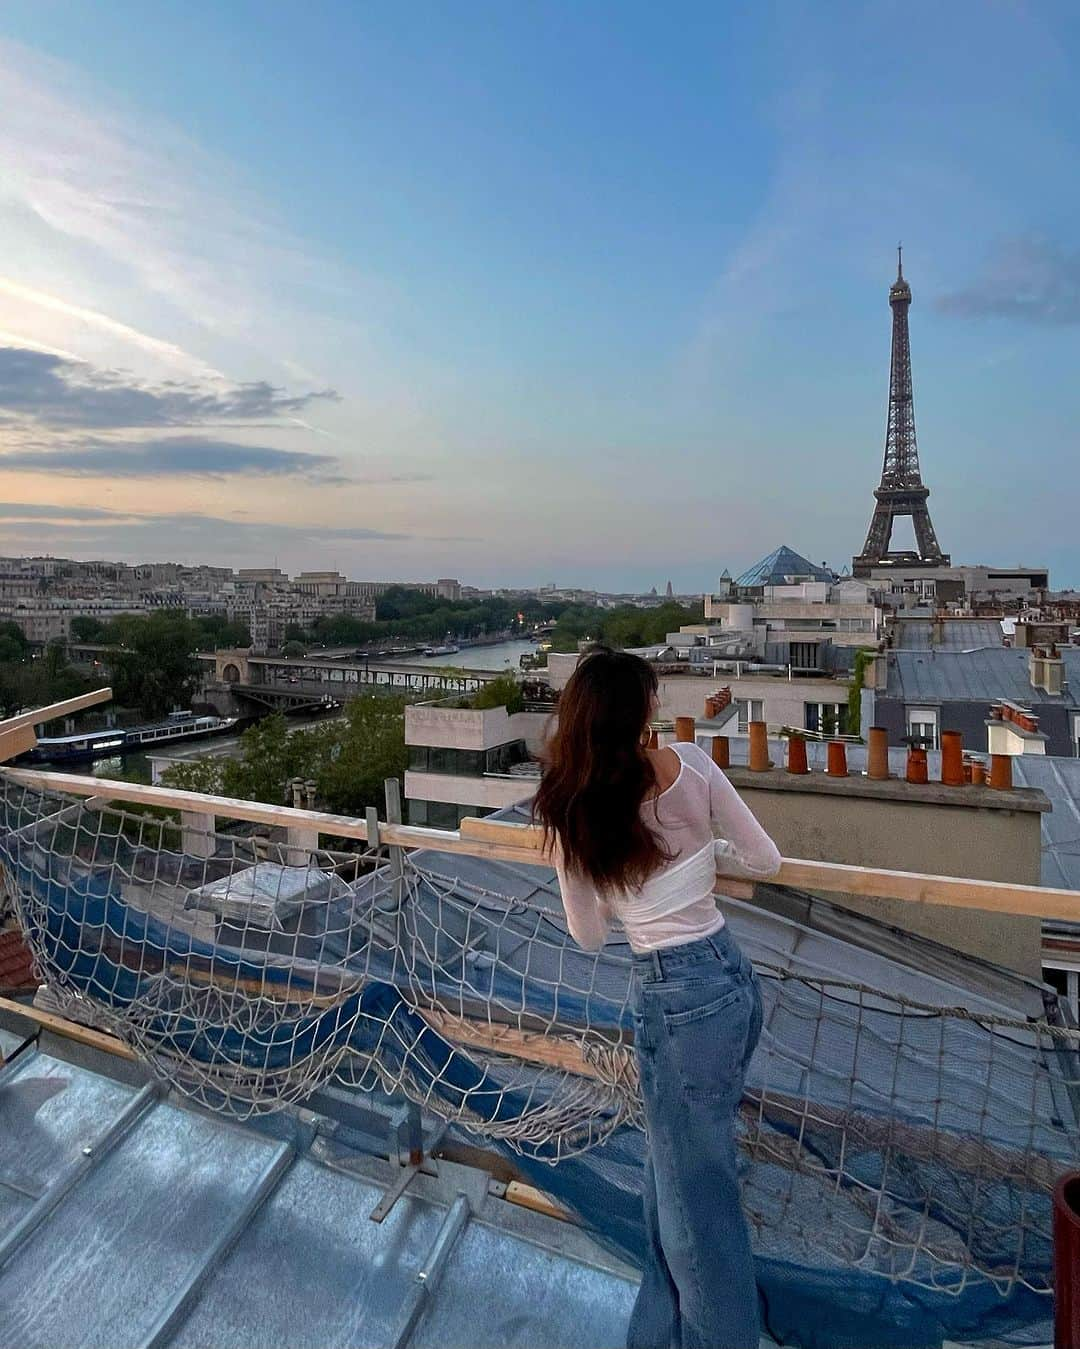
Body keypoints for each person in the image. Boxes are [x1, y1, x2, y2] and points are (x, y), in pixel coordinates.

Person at [533, 647, 781, 1349]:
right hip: (730, 977)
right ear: (640, 712)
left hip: (674, 1001)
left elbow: (588, 934)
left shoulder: (576, 806)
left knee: (695, 1209)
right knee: (672, 1184)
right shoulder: (693, 765)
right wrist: (704, 861)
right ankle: (660, 1332)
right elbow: (766, 858)